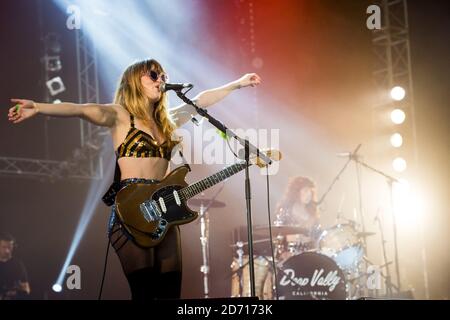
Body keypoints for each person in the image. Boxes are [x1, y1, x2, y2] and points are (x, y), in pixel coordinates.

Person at [8, 58, 261, 300]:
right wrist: (39, 107)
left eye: (163, 75)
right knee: (144, 293)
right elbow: (80, 109)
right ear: (134, 80)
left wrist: (237, 83)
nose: (160, 79)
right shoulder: (120, 116)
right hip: (131, 212)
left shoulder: (167, 121)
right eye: (153, 74)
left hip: (164, 214)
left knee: (170, 292)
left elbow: (199, 101)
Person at [274, 176, 321, 258]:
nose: (309, 194)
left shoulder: (313, 214)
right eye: (306, 191)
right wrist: (283, 252)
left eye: (311, 192)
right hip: (288, 256)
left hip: (309, 256)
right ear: (296, 192)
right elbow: (277, 234)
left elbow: (317, 238)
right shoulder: (286, 210)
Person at [0, 232, 31, 300]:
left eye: (9, 247)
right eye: (4, 247)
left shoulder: (17, 264)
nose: (7, 251)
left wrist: (15, 293)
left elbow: (27, 289)